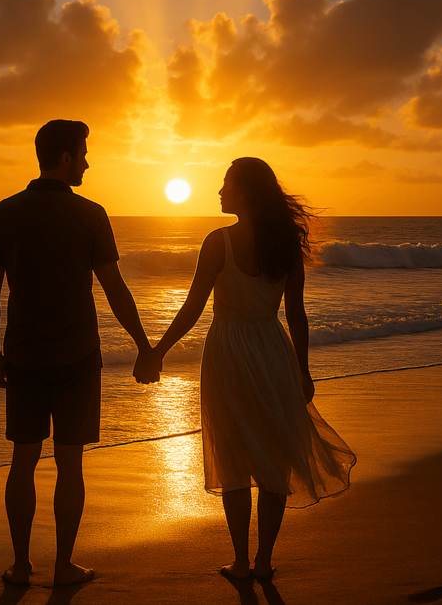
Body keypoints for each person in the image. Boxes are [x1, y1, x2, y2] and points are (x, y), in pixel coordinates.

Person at [136, 157, 356, 580]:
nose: (219, 192)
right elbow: (296, 314)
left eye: (226, 184)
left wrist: (157, 350)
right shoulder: (285, 244)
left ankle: (240, 560)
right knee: (273, 458)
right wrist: (303, 370)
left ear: (246, 192)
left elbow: (194, 306)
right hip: (274, 352)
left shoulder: (218, 241)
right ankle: (263, 561)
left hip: (229, 353)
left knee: (234, 458)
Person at [0, 119, 157, 587]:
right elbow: (114, 287)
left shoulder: (4, 212)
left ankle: (20, 565)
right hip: (77, 355)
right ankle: (62, 565)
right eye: (82, 154)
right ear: (65, 158)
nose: (87, 162)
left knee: (23, 459)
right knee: (69, 463)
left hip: (21, 354)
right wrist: (144, 345)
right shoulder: (91, 214)